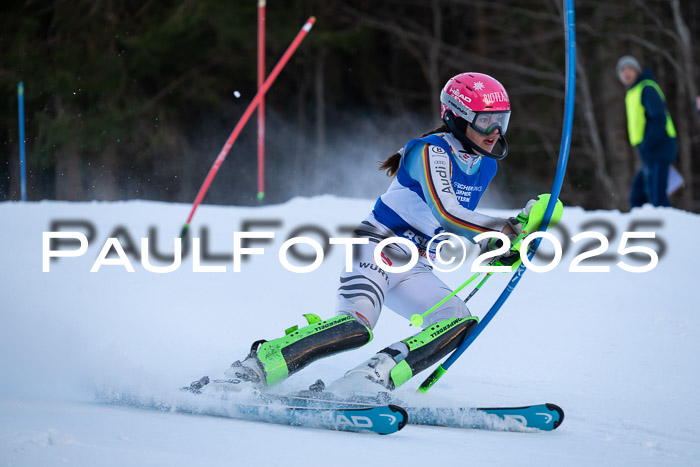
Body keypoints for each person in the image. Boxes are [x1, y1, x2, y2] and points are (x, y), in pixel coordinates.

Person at [190, 73, 536, 395]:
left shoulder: (484, 163)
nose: (495, 132)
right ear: (457, 118)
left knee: (457, 322)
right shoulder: (429, 151)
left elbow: (453, 224)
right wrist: (503, 229)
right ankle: (253, 369)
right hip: (377, 247)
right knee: (356, 328)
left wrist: (498, 245)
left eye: (501, 121)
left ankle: (366, 379)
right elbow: (446, 211)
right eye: (485, 121)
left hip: (414, 265)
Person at [616, 55, 678, 208]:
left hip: (659, 145)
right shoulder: (633, 92)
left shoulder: (646, 88)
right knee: (638, 194)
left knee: (657, 194)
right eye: (623, 70)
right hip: (648, 149)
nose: (626, 73)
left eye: (630, 69)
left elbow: (658, 118)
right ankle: (642, 223)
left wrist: (648, 143)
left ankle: (668, 225)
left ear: (637, 71)